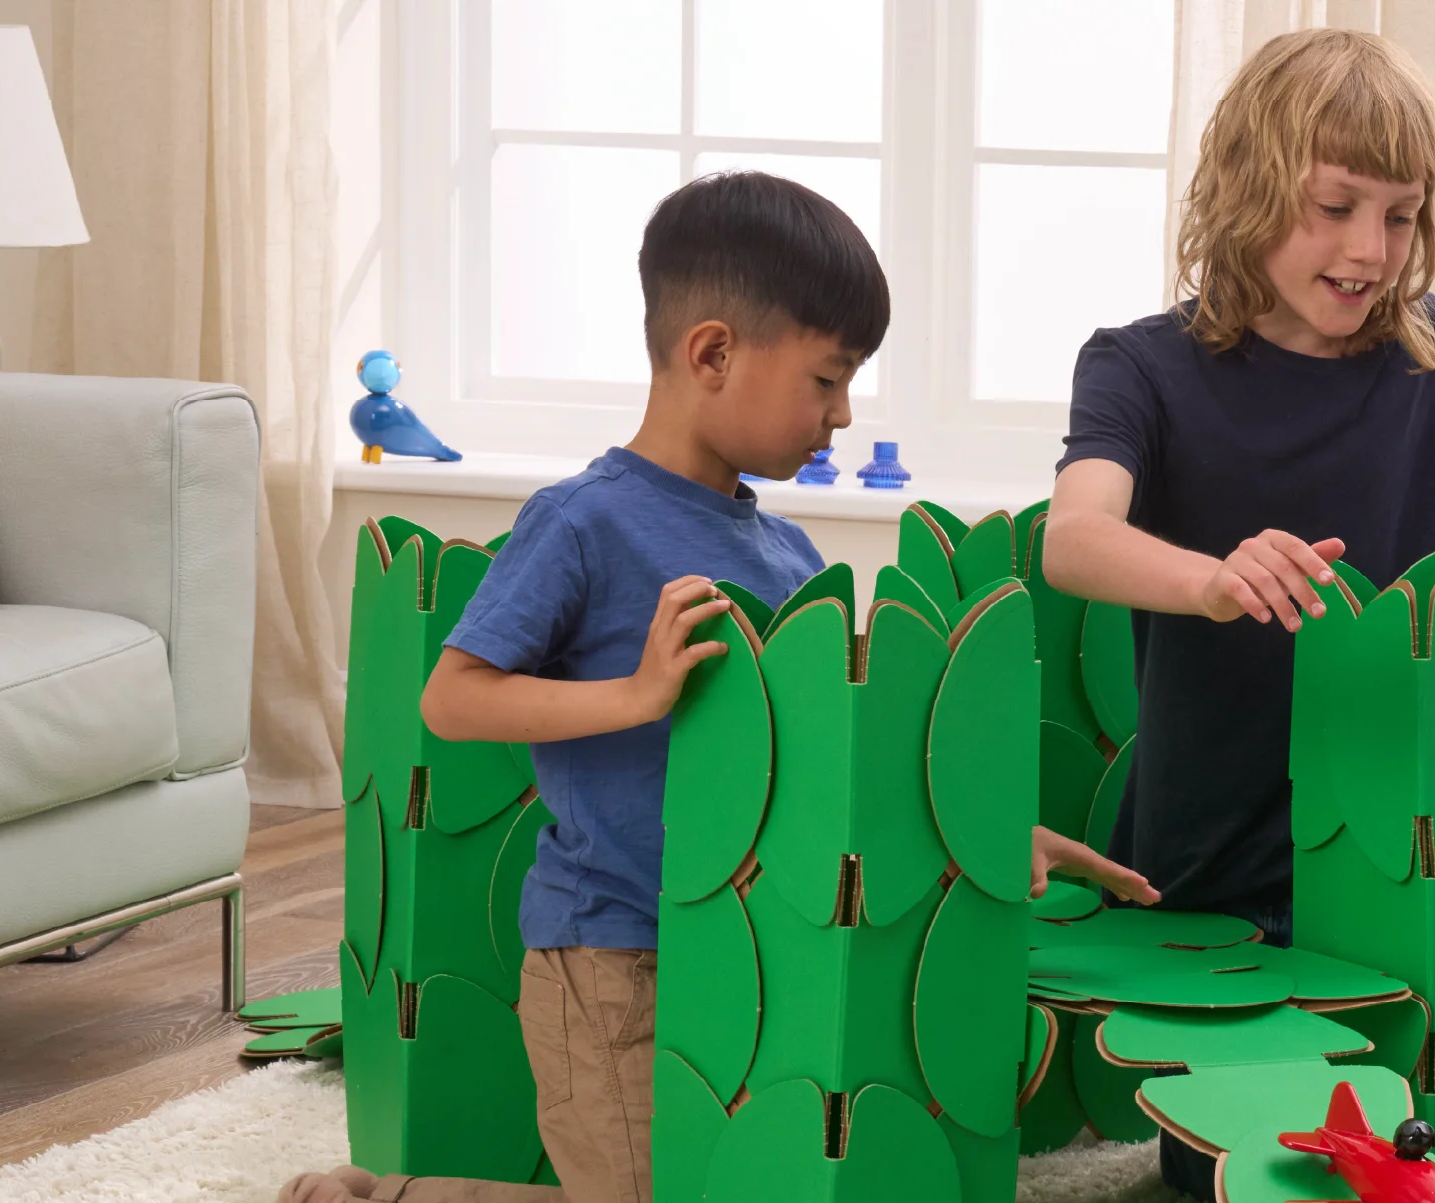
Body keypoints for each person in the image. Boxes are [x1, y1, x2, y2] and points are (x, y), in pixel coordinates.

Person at [279, 172, 1150, 1203]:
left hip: (749, 953)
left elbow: (819, 767)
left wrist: (978, 841)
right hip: (613, 959)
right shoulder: (583, 521)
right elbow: (454, 699)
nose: (840, 413)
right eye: (826, 380)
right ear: (713, 354)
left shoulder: (785, 555)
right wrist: (631, 696)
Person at [1038, 27, 1435, 1201]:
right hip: (1211, 846)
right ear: (1246, 189)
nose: (1367, 250)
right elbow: (1074, 538)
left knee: (1408, 1151)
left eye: (1398, 216)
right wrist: (1211, 577)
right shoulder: (1139, 366)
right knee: (1242, 1170)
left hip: (1400, 841)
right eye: (1334, 206)